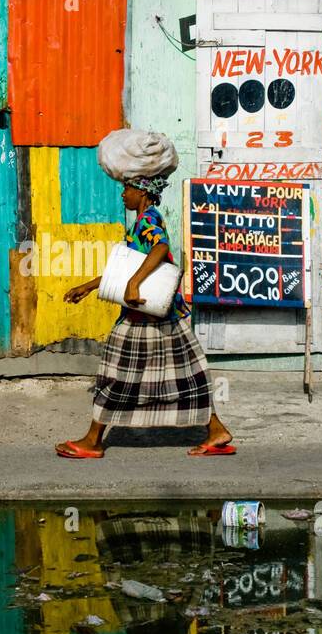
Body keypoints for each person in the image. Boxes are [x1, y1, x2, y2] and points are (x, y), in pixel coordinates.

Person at [55, 174, 235, 458]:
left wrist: (134, 283)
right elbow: (125, 269)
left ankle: (93, 440)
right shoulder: (139, 223)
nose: (123, 194)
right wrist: (88, 287)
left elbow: (161, 247)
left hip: (145, 315)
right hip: (156, 315)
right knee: (186, 376)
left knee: (115, 374)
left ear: (143, 193)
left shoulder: (148, 220)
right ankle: (215, 430)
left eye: (127, 188)